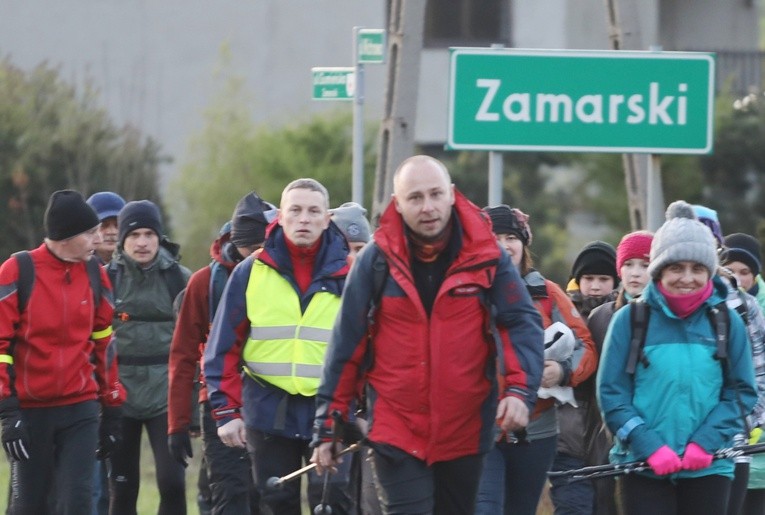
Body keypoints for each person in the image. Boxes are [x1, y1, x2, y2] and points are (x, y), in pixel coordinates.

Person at [311, 155, 544, 515]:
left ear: (451, 195)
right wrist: (328, 426)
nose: (428, 207)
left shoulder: (486, 255)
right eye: (415, 198)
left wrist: (518, 390)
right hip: (396, 431)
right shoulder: (376, 261)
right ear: (398, 204)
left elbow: (519, 320)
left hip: (466, 428)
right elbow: (346, 346)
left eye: (435, 194)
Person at [597, 200, 758, 515]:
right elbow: (612, 395)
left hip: (710, 467)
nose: (687, 278)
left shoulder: (727, 321)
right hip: (642, 468)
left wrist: (706, 442)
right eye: (676, 268)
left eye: (698, 269)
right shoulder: (630, 320)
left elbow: (741, 393)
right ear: (659, 270)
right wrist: (649, 446)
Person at [204, 178, 353, 515]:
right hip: (268, 410)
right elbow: (222, 347)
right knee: (275, 503)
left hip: (331, 411)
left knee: (333, 502)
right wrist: (227, 411)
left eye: (313, 211)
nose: (304, 219)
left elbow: (370, 348)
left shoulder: (350, 275)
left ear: (327, 218)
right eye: (295, 210)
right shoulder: (249, 272)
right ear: (280, 217)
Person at [0, 189, 125, 514]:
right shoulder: (17, 271)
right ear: (65, 235)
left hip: (79, 409)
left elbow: (104, 343)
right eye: (90, 232)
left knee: (78, 502)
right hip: (29, 411)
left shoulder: (96, 275)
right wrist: (8, 412)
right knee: (29, 505)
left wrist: (112, 407)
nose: (97, 239)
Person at [474, 205, 597, 515]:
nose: (505, 245)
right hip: (478, 427)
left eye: (511, 237)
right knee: (485, 508)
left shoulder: (547, 294)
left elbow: (585, 346)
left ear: (524, 243)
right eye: (496, 237)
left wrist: (562, 372)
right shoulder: (466, 291)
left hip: (536, 433)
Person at [168, 191, 275, 515]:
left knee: (267, 498)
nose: (253, 259)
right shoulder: (204, 283)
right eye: (247, 250)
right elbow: (183, 354)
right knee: (229, 497)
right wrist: (177, 423)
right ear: (233, 242)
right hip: (219, 405)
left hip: (272, 402)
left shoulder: (283, 276)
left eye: (260, 249)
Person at [107, 200, 191, 515]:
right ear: (122, 240)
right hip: (119, 397)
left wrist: (192, 408)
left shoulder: (180, 279)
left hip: (165, 395)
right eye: (134, 235)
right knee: (123, 486)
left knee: (173, 483)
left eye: (149, 234)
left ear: (159, 237)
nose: (142, 242)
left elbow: (196, 343)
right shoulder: (106, 279)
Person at [586, 230, 653, 515]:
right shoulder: (600, 317)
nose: (635, 273)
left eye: (644, 264)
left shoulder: (665, 316)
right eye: (628, 264)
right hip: (605, 434)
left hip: (652, 429)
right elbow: (591, 383)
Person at [551, 240, 620, 514]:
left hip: (610, 442)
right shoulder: (562, 318)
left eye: (603, 279)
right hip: (569, 442)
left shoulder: (627, 317)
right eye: (588, 278)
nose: (594, 286)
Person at [329, 201, 382, 515]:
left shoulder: (382, 292)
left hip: (374, 416)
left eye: (360, 247)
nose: (353, 257)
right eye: (345, 247)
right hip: (338, 417)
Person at [86, 189, 126, 515]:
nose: (111, 230)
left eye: (118, 223)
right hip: (82, 391)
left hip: (121, 394)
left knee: (115, 487)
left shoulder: (133, 272)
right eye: (103, 223)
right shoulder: (79, 272)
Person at [719, 232, 765, 515]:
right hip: (729, 437)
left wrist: (755, 418)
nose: (736, 277)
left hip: (753, 428)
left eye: (744, 271)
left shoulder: (752, 312)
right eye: (730, 270)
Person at [87, 191, 127, 265]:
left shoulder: (141, 266)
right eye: (103, 225)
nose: (112, 232)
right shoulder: (75, 268)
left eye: (117, 225)